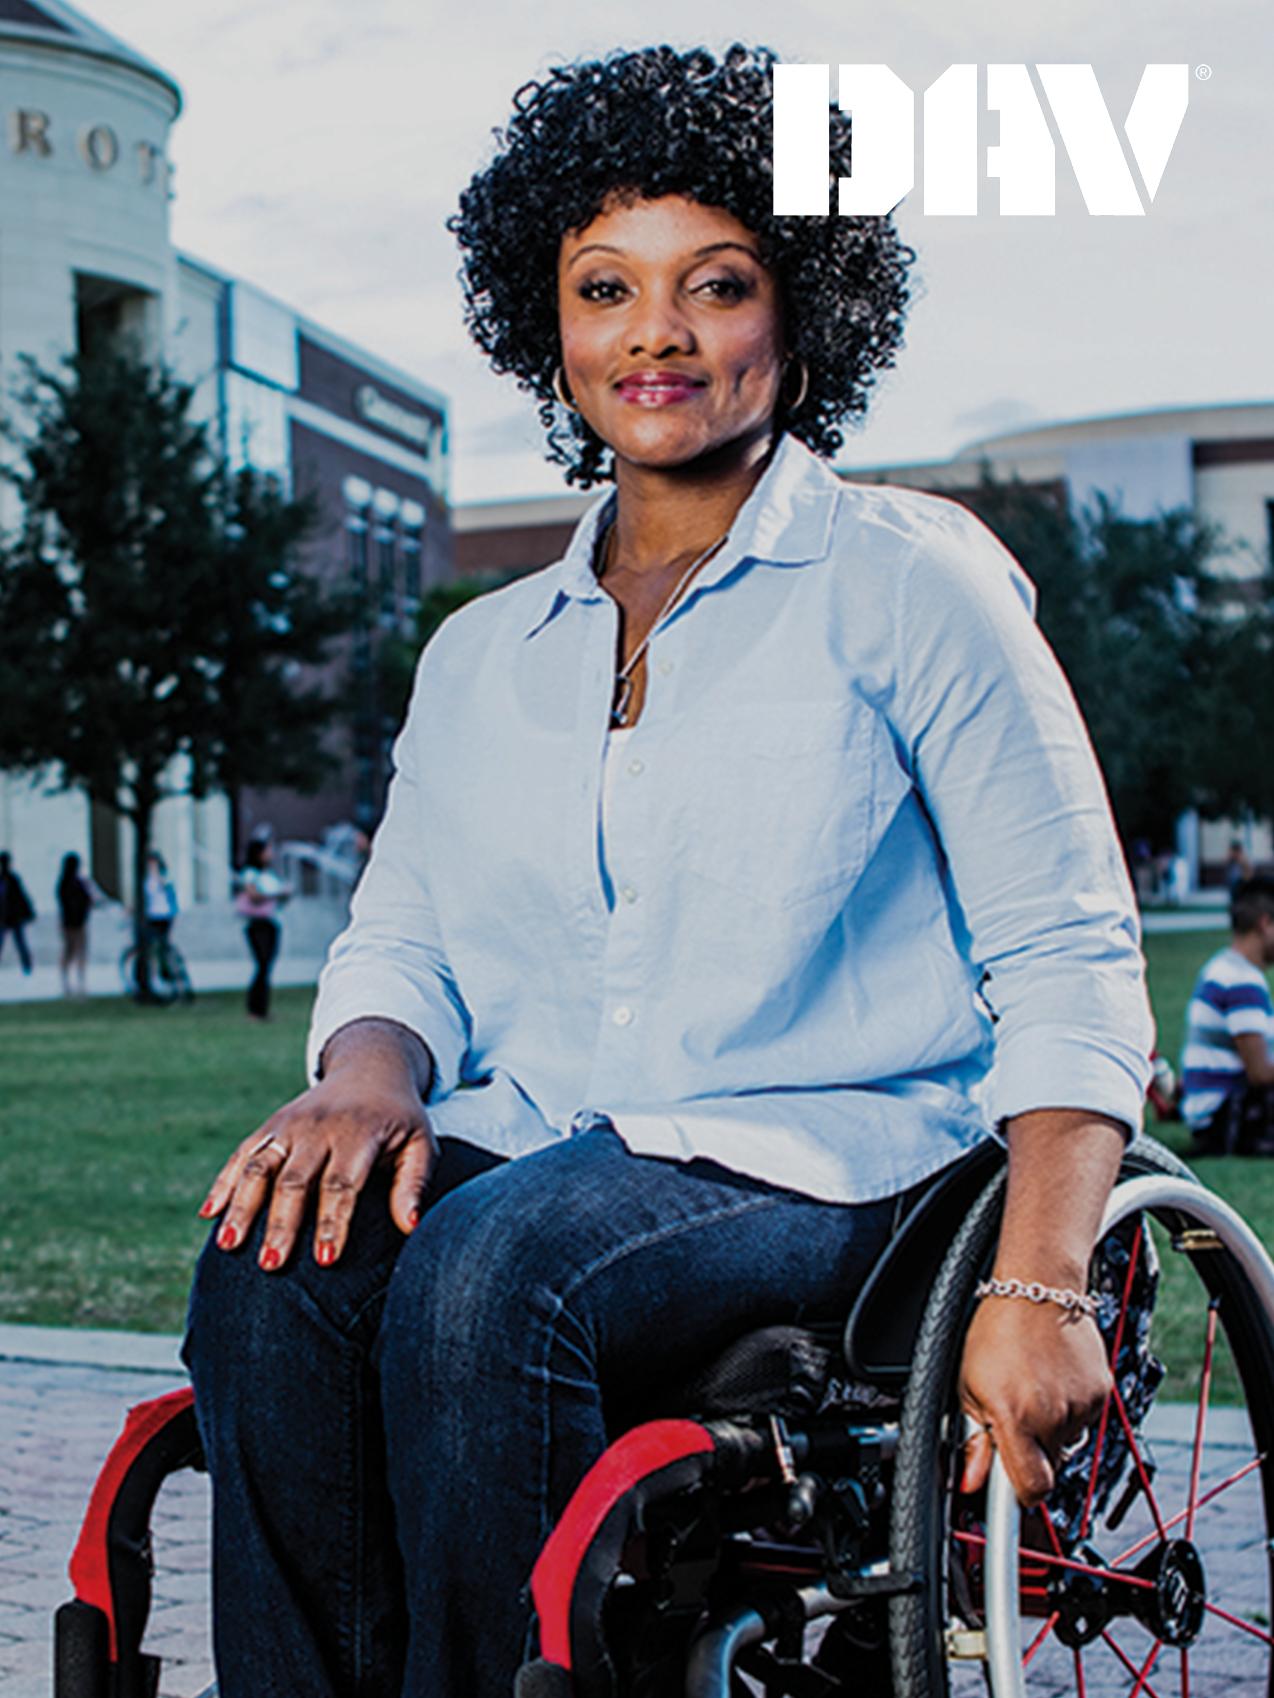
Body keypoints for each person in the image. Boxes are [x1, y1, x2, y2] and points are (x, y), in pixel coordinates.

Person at [183, 45, 1153, 1698]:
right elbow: (400, 932)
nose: (655, 333)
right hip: (560, 1137)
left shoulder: (907, 584)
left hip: (832, 1159)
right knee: (279, 1252)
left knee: (496, 1265)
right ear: (540, 318)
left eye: (715, 283)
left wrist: (1038, 1279)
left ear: (798, 308)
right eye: (602, 286)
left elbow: (1064, 951)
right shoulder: (482, 653)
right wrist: (358, 1074)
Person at [1179, 873, 1274, 1155]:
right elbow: (1260, 1073)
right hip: (1226, 1120)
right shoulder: (1241, 981)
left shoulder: (1221, 967)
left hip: (1212, 1116)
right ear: (1265, 924)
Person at [235, 832, 290, 1020]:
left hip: (270, 922)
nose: (271, 853)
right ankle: (254, 1008)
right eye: (267, 850)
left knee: (267, 966)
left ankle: (262, 1008)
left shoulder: (269, 875)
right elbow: (254, 896)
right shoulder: (250, 874)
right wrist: (276, 894)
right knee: (262, 964)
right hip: (257, 924)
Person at [56, 851, 101, 997]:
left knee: (69, 952)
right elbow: (90, 900)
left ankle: (67, 983)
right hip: (78, 922)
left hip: (68, 922)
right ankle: (80, 983)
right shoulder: (78, 883)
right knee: (79, 951)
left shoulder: (63, 883)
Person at [0, 850, 35, 975]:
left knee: (20, 943)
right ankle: (27, 967)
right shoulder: (11, 879)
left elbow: (21, 897)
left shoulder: (12, 879)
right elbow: (22, 897)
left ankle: (27, 966)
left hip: (12, 917)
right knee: (20, 943)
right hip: (9, 917)